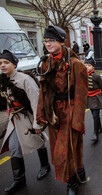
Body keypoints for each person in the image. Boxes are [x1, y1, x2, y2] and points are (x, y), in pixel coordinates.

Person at [36, 25, 88, 194]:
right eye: (45, 41)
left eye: (51, 41)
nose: (47, 44)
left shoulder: (76, 64)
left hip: (71, 110)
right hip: (54, 113)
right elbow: (43, 92)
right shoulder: (45, 63)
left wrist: (78, 121)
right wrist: (42, 115)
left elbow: (81, 95)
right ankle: (79, 170)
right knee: (61, 148)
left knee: (65, 150)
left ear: (60, 41)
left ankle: (71, 182)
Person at [0, 50, 50, 193]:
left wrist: (37, 123)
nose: (2, 66)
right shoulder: (4, 79)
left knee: (38, 141)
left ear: (14, 64)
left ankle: (45, 165)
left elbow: (36, 102)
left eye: (6, 63)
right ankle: (19, 180)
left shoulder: (25, 79)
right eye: (0, 63)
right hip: (14, 119)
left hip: (28, 117)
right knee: (14, 147)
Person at [85, 56, 102, 144]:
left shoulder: (96, 75)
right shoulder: (83, 75)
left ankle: (95, 134)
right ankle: (99, 127)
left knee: (95, 115)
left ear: (93, 66)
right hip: (88, 98)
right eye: (85, 65)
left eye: (89, 65)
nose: (87, 67)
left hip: (96, 97)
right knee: (93, 114)